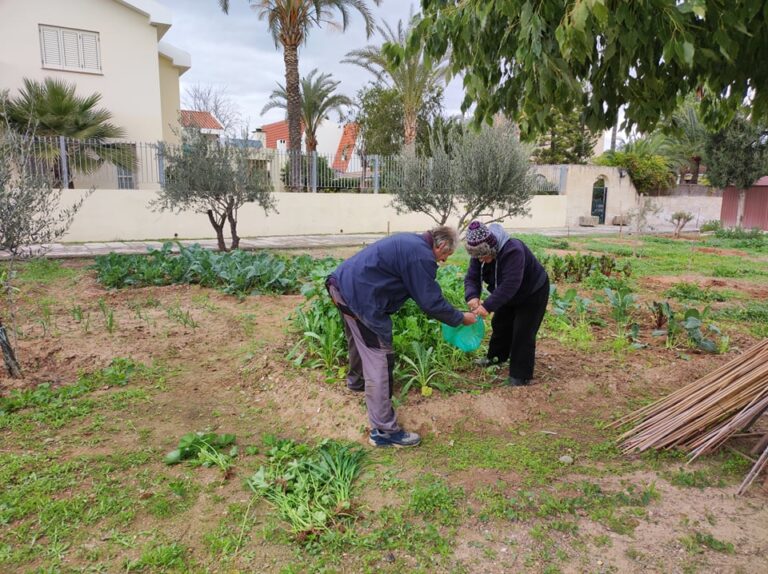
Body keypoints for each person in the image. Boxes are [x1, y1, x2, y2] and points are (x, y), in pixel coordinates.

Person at [326, 226, 477, 448]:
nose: (444, 260)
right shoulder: (421, 256)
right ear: (442, 245)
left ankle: (357, 383)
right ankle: (384, 431)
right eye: (447, 255)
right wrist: (460, 318)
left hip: (342, 286)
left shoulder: (411, 242)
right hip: (360, 296)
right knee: (379, 354)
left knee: (359, 338)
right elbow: (430, 302)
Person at [463, 220, 549, 387]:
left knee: (522, 331)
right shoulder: (479, 253)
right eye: (479, 258)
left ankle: (520, 375)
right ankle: (495, 358)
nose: (483, 260)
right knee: (500, 324)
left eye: (485, 257)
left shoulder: (513, 250)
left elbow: (510, 284)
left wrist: (486, 306)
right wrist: (472, 296)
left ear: (493, 248)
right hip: (505, 293)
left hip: (532, 292)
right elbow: (472, 277)